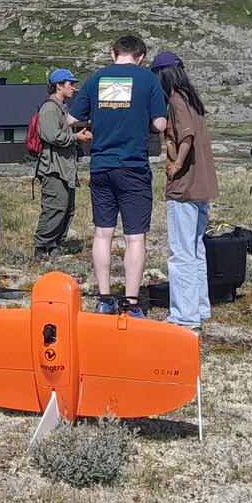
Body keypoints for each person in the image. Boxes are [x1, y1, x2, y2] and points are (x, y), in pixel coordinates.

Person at [68, 34, 168, 317]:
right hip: (133, 167)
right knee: (135, 238)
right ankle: (132, 303)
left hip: (101, 166)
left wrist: (100, 117)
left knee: (103, 234)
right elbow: (160, 124)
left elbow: (71, 118)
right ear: (141, 57)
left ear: (113, 53)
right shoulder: (148, 80)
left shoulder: (96, 79)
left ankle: (104, 298)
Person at [153, 52, 218, 331]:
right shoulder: (192, 99)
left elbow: (186, 135)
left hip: (184, 187)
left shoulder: (176, 100)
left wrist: (177, 164)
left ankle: (184, 315)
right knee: (195, 248)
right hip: (201, 185)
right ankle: (200, 306)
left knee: (180, 253)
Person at [32, 68, 92, 260]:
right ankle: (41, 246)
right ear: (58, 85)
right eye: (70, 84)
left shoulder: (61, 107)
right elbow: (51, 135)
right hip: (54, 169)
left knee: (67, 208)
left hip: (63, 167)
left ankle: (55, 243)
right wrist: (76, 137)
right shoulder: (50, 108)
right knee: (55, 207)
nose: (74, 88)